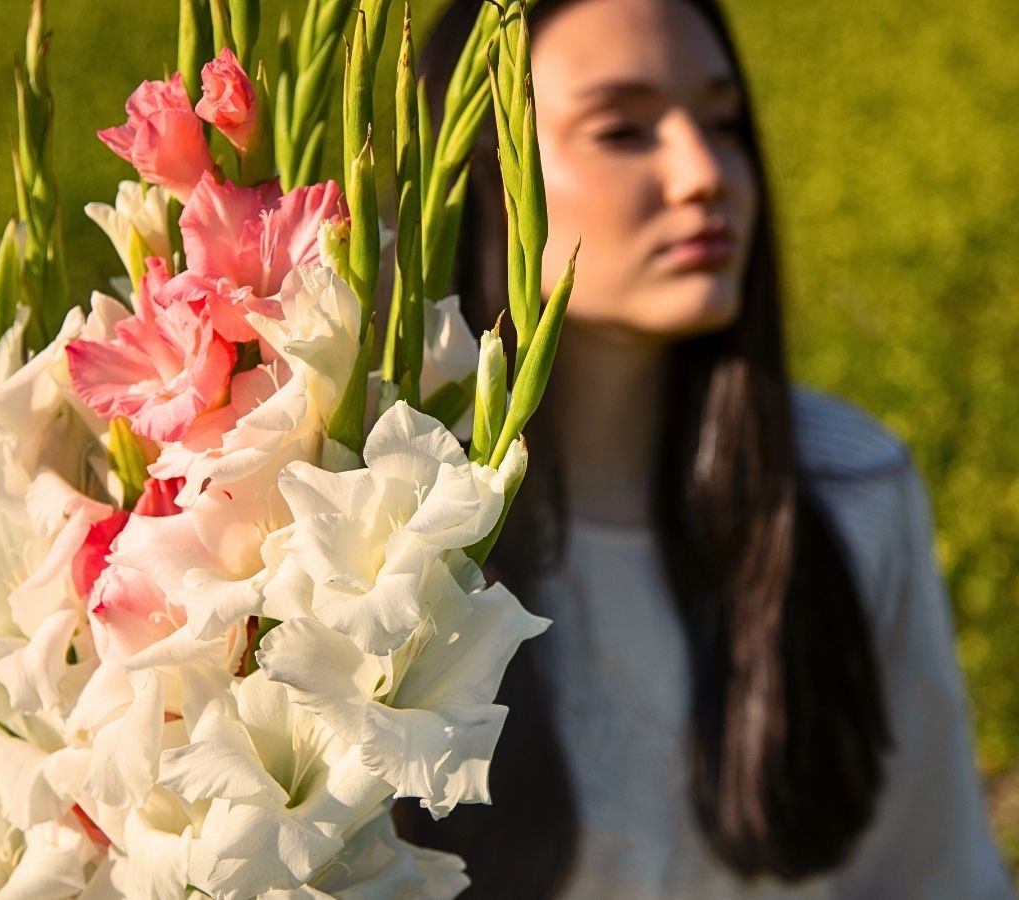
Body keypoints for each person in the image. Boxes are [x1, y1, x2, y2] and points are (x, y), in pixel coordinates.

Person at [400, 0, 1018, 897]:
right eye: (623, 130)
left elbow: (932, 872)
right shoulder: (366, 522)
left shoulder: (848, 491)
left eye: (722, 121)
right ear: (472, 177)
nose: (706, 173)